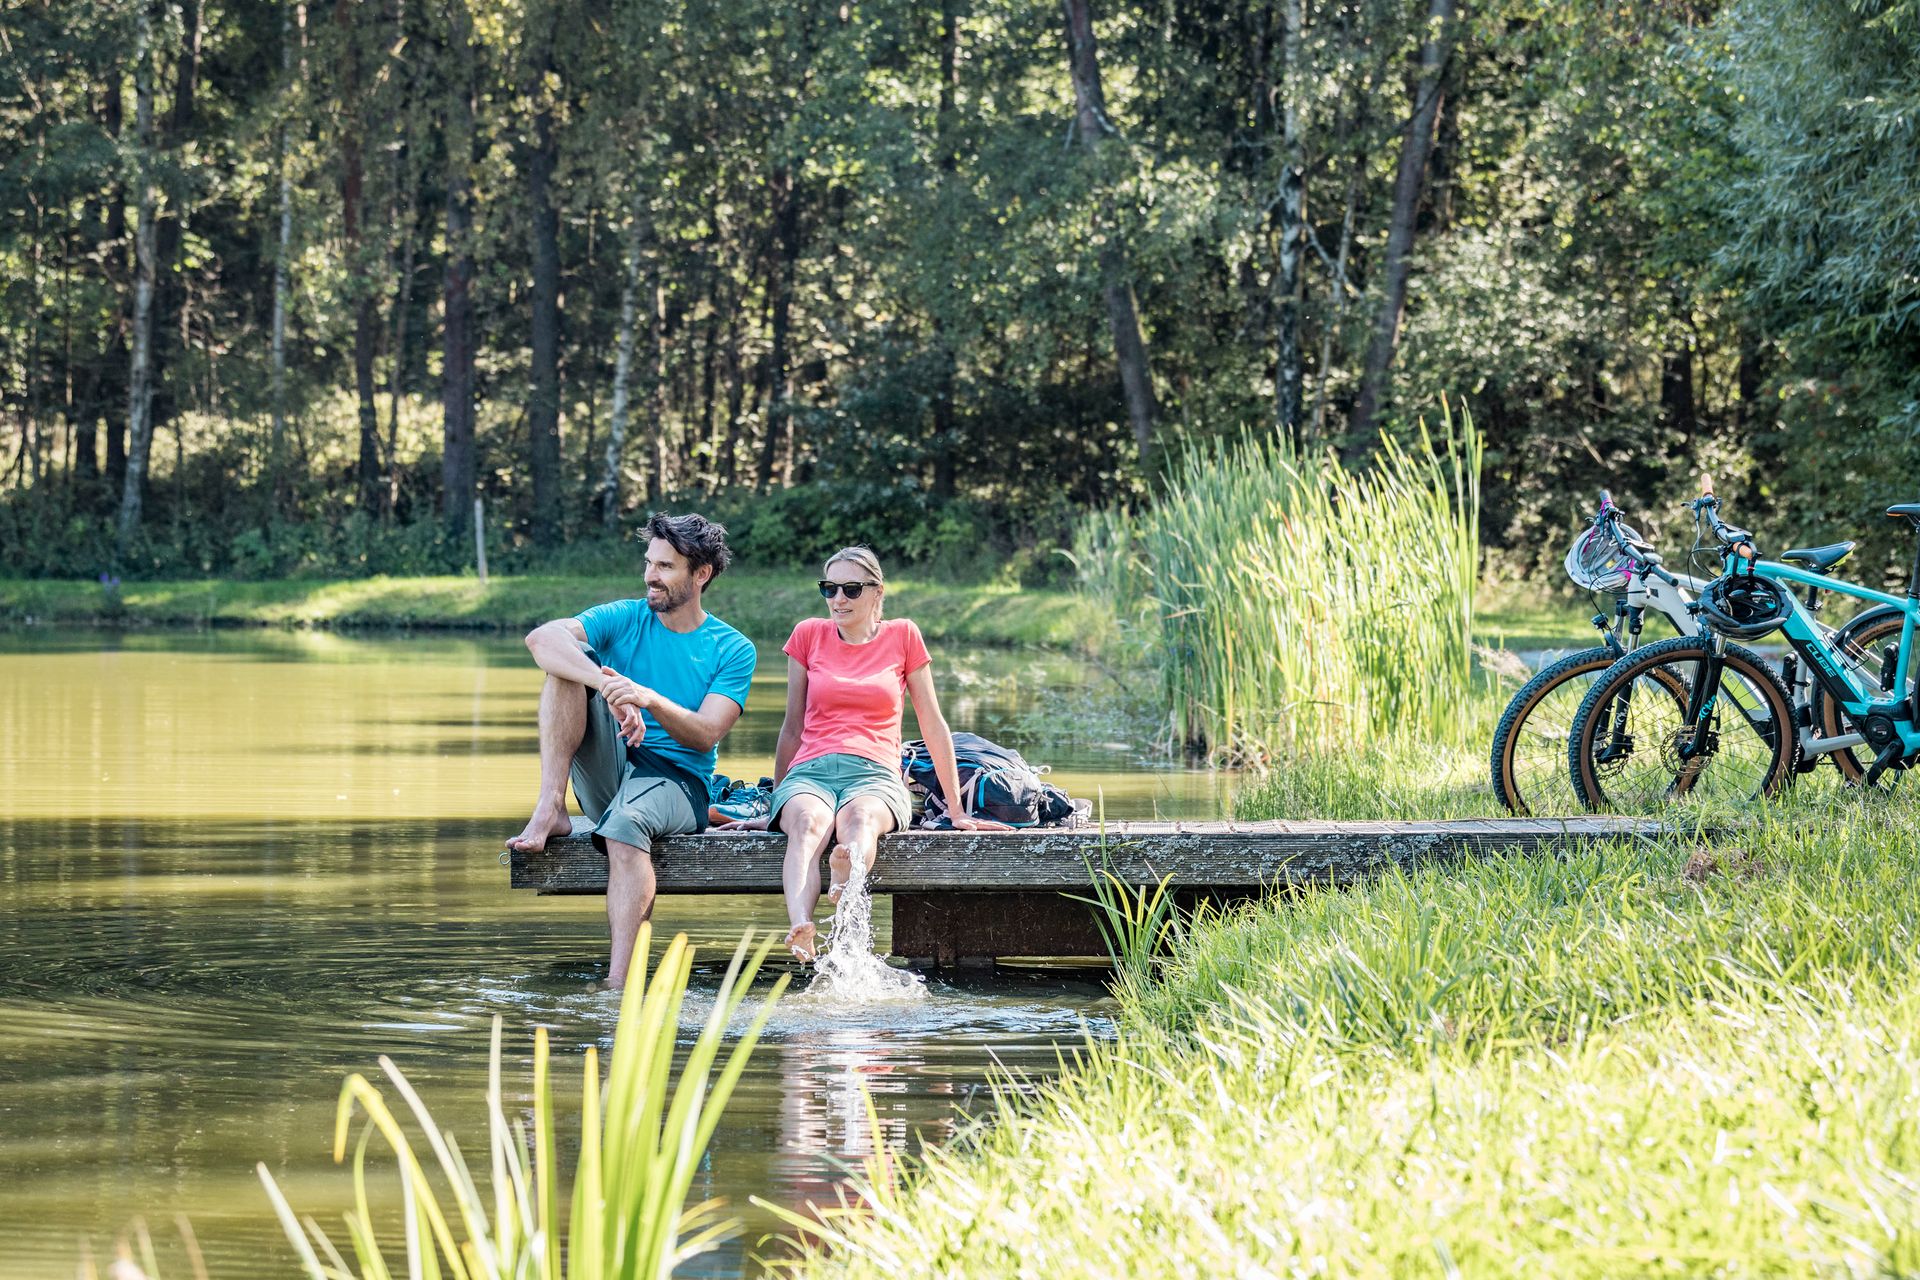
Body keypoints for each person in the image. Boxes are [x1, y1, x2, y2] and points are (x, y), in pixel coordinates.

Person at [505, 514, 756, 989]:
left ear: (700, 575)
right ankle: (550, 806)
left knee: (624, 827)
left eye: (665, 566)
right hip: (615, 765)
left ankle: (619, 986)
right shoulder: (624, 616)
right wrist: (608, 686)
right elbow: (541, 639)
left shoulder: (732, 648)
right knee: (565, 668)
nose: (649, 575)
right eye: (648, 562)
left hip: (679, 781)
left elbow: (705, 734)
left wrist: (649, 698)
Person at [724, 546, 1005, 961]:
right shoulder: (807, 635)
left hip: (874, 773)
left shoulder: (903, 635)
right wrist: (776, 805)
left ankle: (846, 878)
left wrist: (956, 809)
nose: (838, 599)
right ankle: (801, 925)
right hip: (810, 771)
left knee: (860, 819)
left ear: (877, 592)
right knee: (805, 822)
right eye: (829, 588)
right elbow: (792, 726)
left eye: (851, 589)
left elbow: (932, 722)